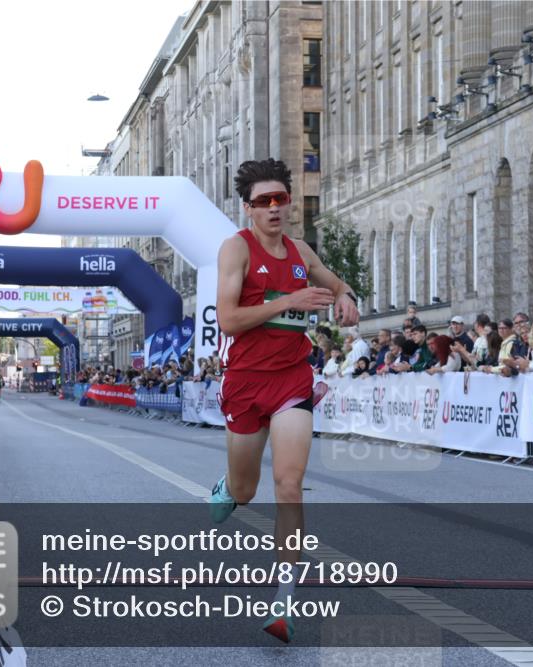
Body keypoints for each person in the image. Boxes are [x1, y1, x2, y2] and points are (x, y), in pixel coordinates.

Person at [210, 158, 359, 643]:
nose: (274, 208)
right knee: (247, 490)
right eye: (263, 202)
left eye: (280, 199)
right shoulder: (236, 250)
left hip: (293, 377)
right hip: (246, 381)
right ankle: (228, 486)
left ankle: (284, 601)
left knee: (289, 486)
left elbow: (332, 280)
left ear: (289, 201)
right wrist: (287, 301)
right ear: (248, 208)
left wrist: (345, 295)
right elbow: (229, 321)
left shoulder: (298, 249)